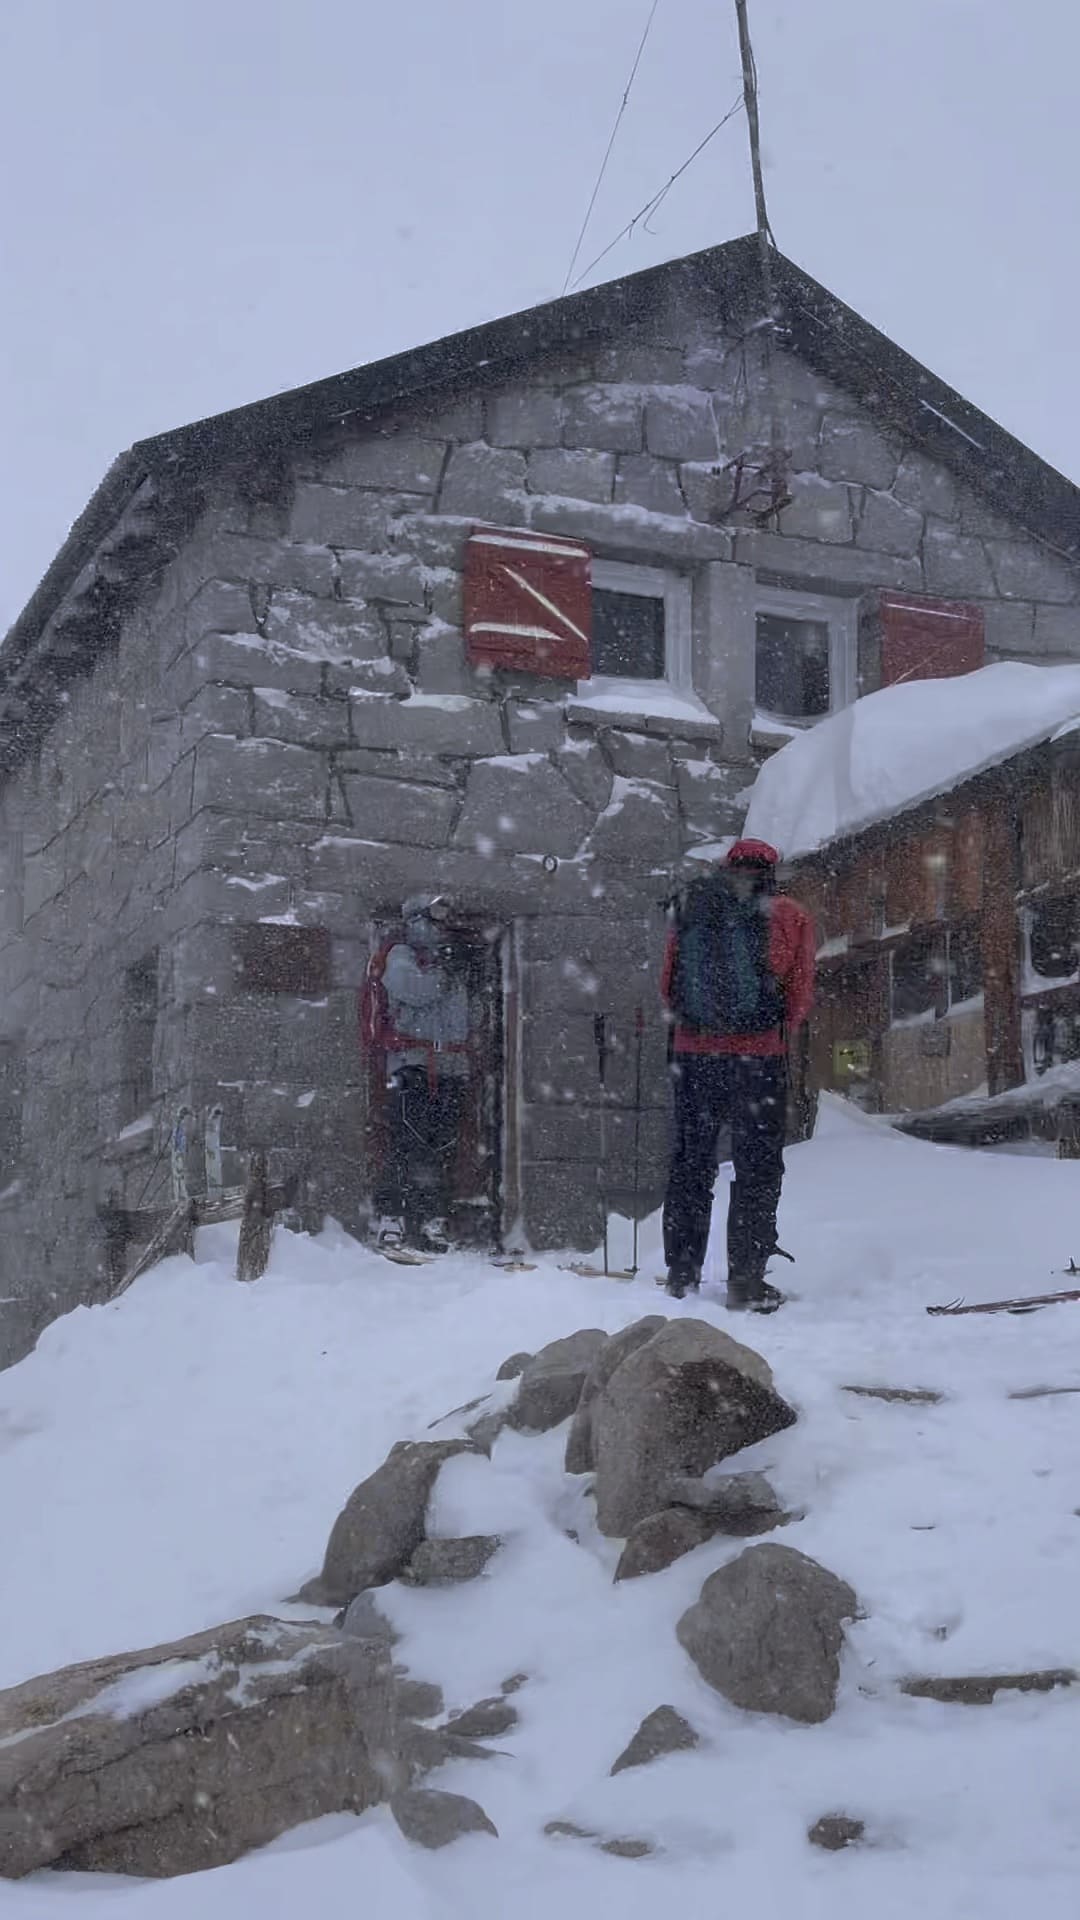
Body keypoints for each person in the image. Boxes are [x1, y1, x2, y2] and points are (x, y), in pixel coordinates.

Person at [660, 839, 815, 1312]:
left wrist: (702, 1026)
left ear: (726, 868)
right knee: (757, 1167)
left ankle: (681, 1275)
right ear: (772, 871)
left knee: (692, 1161)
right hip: (759, 1059)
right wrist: (765, 1027)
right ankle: (746, 1279)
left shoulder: (693, 907)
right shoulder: (790, 915)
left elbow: (668, 986)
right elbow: (800, 995)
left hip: (694, 1054)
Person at [363, 895, 474, 1252]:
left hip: (451, 1067)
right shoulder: (399, 957)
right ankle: (392, 1217)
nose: (441, 928)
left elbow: (468, 1017)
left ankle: (431, 1218)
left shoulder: (452, 965)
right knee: (406, 1143)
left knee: (441, 1145)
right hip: (412, 1066)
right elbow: (418, 991)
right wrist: (445, 968)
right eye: (434, 919)